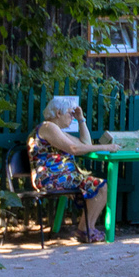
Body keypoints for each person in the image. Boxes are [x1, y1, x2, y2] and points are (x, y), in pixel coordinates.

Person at [29, 95, 110, 243]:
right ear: (58, 113)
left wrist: (81, 119)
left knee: (101, 186)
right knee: (100, 186)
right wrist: (105, 147)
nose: (72, 117)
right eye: (70, 114)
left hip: (63, 176)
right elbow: (74, 149)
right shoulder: (48, 127)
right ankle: (84, 230)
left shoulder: (57, 130)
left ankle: (87, 229)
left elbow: (86, 143)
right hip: (49, 178)